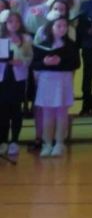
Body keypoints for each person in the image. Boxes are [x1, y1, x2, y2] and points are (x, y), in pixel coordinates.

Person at [32, 14, 80, 157]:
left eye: (65, 26)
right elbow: (34, 64)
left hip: (63, 80)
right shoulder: (42, 44)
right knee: (47, 113)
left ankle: (59, 143)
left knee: (61, 112)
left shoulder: (71, 45)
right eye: (59, 26)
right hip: (47, 80)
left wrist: (60, 61)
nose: (62, 29)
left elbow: (76, 64)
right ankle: (47, 143)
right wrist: (44, 62)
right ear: (51, 27)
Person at [0, 10, 32, 158]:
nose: (14, 24)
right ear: (5, 23)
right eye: (10, 21)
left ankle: (14, 141)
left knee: (16, 111)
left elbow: (30, 57)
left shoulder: (26, 39)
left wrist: (21, 62)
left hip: (18, 78)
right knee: (3, 111)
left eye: (17, 21)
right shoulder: (1, 38)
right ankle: (3, 141)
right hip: (2, 78)